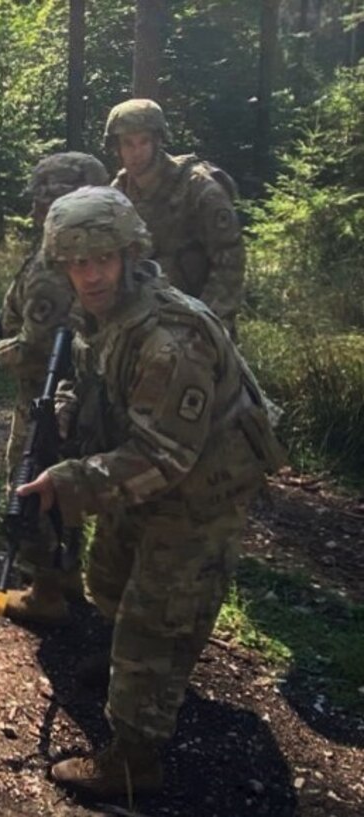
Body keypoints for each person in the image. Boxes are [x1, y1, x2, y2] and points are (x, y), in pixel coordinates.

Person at [16, 187, 283, 797]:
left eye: (101, 260)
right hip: (145, 470)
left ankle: (134, 761)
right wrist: (61, 412)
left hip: (199, 492)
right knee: (108, 577)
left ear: (129, 255)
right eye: (76, 263)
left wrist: (67, 482)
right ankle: (125, 669)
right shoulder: (106, 313)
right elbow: (98, 387)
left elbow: (166, 457)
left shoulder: (168, 336)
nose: (89, 275)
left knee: (153, 622)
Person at [0, 152, 109, 625]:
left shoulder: (56, 264)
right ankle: (68, 575)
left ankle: (45, 590)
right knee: (63, 484)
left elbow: (36, 345)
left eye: (45, 200)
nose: (35, 210)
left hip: (47, 395)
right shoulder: (98, 257)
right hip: (85, 393)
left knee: (29, 485)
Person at [105, 98, 244, 335]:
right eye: (128, 144)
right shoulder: (117, 195)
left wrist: (208, 322)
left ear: (157, 141)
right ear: (117, 147)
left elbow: (230, 259)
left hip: (198, 320)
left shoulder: (197, 188)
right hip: (141, 324)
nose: (136, 152)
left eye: (143, 142)